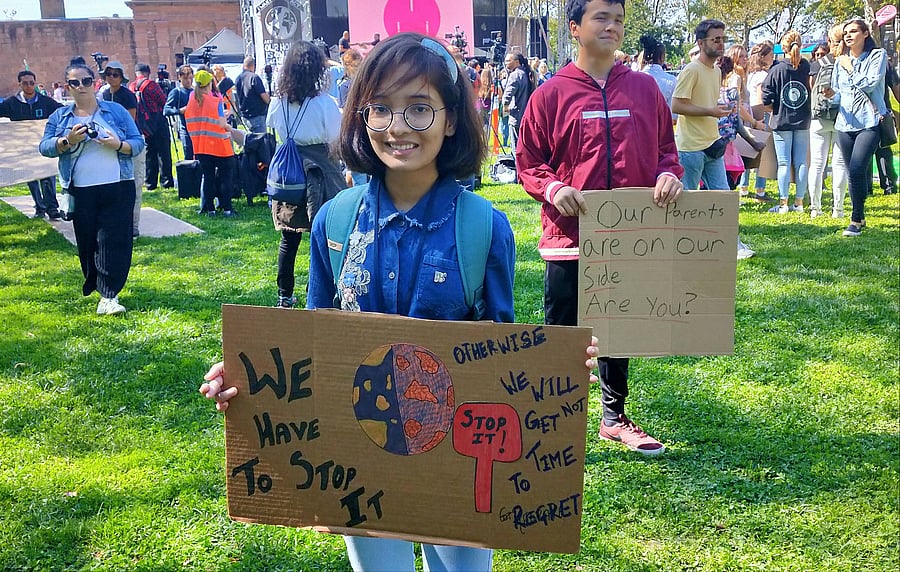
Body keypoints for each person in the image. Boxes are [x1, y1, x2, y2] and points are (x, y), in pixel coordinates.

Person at [201, 32, 603, 572]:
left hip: (457, 463)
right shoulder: (334, 222)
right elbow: (316, 344)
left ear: (451, 119)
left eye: (419, 108)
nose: (397, 127)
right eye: (381, 108)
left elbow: (499, 356)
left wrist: (555, 369)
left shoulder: (483, 227)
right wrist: (250, 379)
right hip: (357, 461)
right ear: (362, 116)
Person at [517, 0, 684, 456]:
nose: (613, 27)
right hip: (568, 239)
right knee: (563, 330)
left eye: (619, 20)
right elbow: (529, 161)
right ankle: (554, 419)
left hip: (628, 236)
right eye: (601, 18)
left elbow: (667, 151)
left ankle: (614, 418)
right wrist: (553, 188)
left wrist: (668, 174)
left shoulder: (645, 89)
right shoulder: (550, 94)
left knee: (617, 326)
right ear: (574, 28)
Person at [39, 63, 145, 315]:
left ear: (95, 83)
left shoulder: (116, 111)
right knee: (88, 243)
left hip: (118, 185)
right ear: (67, 87)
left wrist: (117, 144)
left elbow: (137, 142)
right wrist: (68, 140)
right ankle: (98, 286)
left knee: (113, 240)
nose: (81, 87)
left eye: (86, 81)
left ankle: (109, 295)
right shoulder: (60, 117)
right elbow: (45, 147)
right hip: (81, 190)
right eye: (74, 83)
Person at [266, 41, 346, 309]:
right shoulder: (324, 103)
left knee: (289, 239)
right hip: (320, 173)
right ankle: (316, 294)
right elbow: (335, 139)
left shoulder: (278, 103)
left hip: (288, 174)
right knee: (320, 237)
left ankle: (284, 296)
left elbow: (272, 127)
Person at [823, 17, 888, 237]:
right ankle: (860, 216)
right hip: (845, 123)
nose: (848, 36)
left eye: (853, 32)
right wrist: (830, 96)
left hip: (869, 122)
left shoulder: (877, 55)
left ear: (865, 34)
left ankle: (855, 220)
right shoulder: (841, 61)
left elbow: (869, 84)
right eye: (845, 33)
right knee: (852, 172)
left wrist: (850, 68)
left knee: (858, 168)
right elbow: (839, 94)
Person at [671, 19, 733, 192]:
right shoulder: (691, 70)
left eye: (723, 39)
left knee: (722, 197)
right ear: (700, 43)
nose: (721, 44)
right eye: (716, 39)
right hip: (691, 149)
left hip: (713, 144)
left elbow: (706, 101)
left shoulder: (717, 71)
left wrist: (722, 108)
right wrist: (710, 111)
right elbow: (676, 106)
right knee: (686, 201)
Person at [761, 30, 811, 214]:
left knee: (784, 163)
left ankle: (783, 204)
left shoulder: (776, 69)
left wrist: (774, 108)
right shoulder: (807, 67)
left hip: (781, 120)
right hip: (803, 120)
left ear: (783, 48)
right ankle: (799, 203)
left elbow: (765, 97)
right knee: (801, 162)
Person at [0, 69, 62, 219]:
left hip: (43, 145)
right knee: (31, 178)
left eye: (31, 83)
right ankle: (39, 207)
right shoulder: (12, 103)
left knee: (47, 177)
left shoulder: (45, 102)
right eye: (25, 83)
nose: (29, 86)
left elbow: (62, 111)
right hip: (24, 149)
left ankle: (52, 208)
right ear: (19, 84)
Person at [808, 26, 849, 219]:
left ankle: (815, 208)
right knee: (839, 164)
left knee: (817, 164)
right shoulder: (849, 62)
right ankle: (838, 209)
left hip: (819, 117)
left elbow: (812, 90)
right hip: (843, 116)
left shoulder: (819, 63)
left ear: (829, 41)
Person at [184, 70, 237, 217]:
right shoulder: (215, 100)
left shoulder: (191, 100)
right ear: (210, 83)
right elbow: (221, 123)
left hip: (201, 146)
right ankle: (227, 209)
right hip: (220, 145)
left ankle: (210, 210)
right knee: (226, 178)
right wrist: (230, 128)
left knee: (208, 178)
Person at [130, 63, 174, 191]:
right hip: (158, 122)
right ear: (148, 73)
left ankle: (150, 182)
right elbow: (164, 101)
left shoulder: (132, 86)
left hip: (144, 124)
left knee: (150, 153)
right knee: (164, 152)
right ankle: (166, 181)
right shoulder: (150, 85)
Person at [745, 42, 775, 202]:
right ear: (763, 57)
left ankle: (744, 187)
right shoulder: (764, 75)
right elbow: (760, 98)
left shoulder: (750, 74)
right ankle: (760, 190)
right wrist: (761, 118)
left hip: (750, 114)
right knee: (762, 154)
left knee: (747, 151)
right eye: (770, 55)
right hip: (761, 115)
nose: (772, 58)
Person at [501, 51, 536, 153]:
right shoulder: (527, 73)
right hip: (527, 115)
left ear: (517, 62)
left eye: (508, 60)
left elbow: (508, 94)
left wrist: (505, 106)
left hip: (516, 115)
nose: (506, 63)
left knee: (516, 148)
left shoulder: (515, 75)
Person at [639, 34, 676, 121]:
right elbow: (673, 115)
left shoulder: (633, 79)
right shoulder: (671, 81)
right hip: (660, 125)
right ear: (662, 57)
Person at [164, 65, 195, 160]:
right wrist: (179, 111)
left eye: (190, 78)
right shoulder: (176, 92)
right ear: (179, 77)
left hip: (197, 129)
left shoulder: (195, 91)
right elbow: (166, 110)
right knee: (188, 156)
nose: (188, 81)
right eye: (185, 78)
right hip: (185, 129)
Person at [234, 57, 271, 133]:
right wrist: (270, 101)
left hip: (245, 115)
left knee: (251, 138)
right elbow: (264, 96)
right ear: (253, 66)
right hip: (257, 115)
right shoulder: (254, 77)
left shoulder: (238, 78)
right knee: (260, 139)